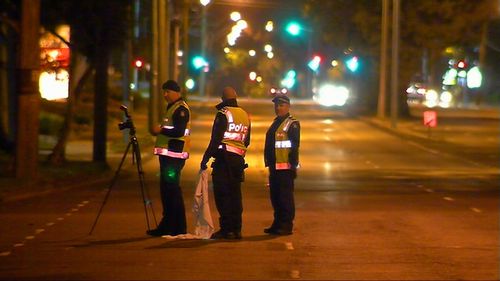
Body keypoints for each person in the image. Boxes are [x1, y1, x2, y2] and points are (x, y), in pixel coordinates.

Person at [200, 86, 251, 240]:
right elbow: (246, 141)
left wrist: (206, 158)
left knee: (223, 196)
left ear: (223, 99)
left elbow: (215, 139)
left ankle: (226, 230)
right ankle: (236, 229)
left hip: (223, 160)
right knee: (235, 195)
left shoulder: (223, 114)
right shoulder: (244, 115)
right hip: (238, 161)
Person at [147, 80, 191, 237]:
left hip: (174, 156)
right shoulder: (172, 107)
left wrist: (160, 130)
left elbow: (179, 131)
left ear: (176, 92)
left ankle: (178, 227)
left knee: (172, 191)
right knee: (166, 191)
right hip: (167, 156)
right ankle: (167, 225)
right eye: (164, 92)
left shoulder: (181, 110)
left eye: (168, 92)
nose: (165, 95)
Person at [263, 95, 300, 235]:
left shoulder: (292, 124)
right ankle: (277, 223)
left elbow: (294, 147)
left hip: (285, 168)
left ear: (288, 106)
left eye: (281, 105)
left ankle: (286, 225)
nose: (278, 108)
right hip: (275, 167)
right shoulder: (277, 122)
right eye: (277, 105)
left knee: (285, 198)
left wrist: (293, 166)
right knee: (276, 197)